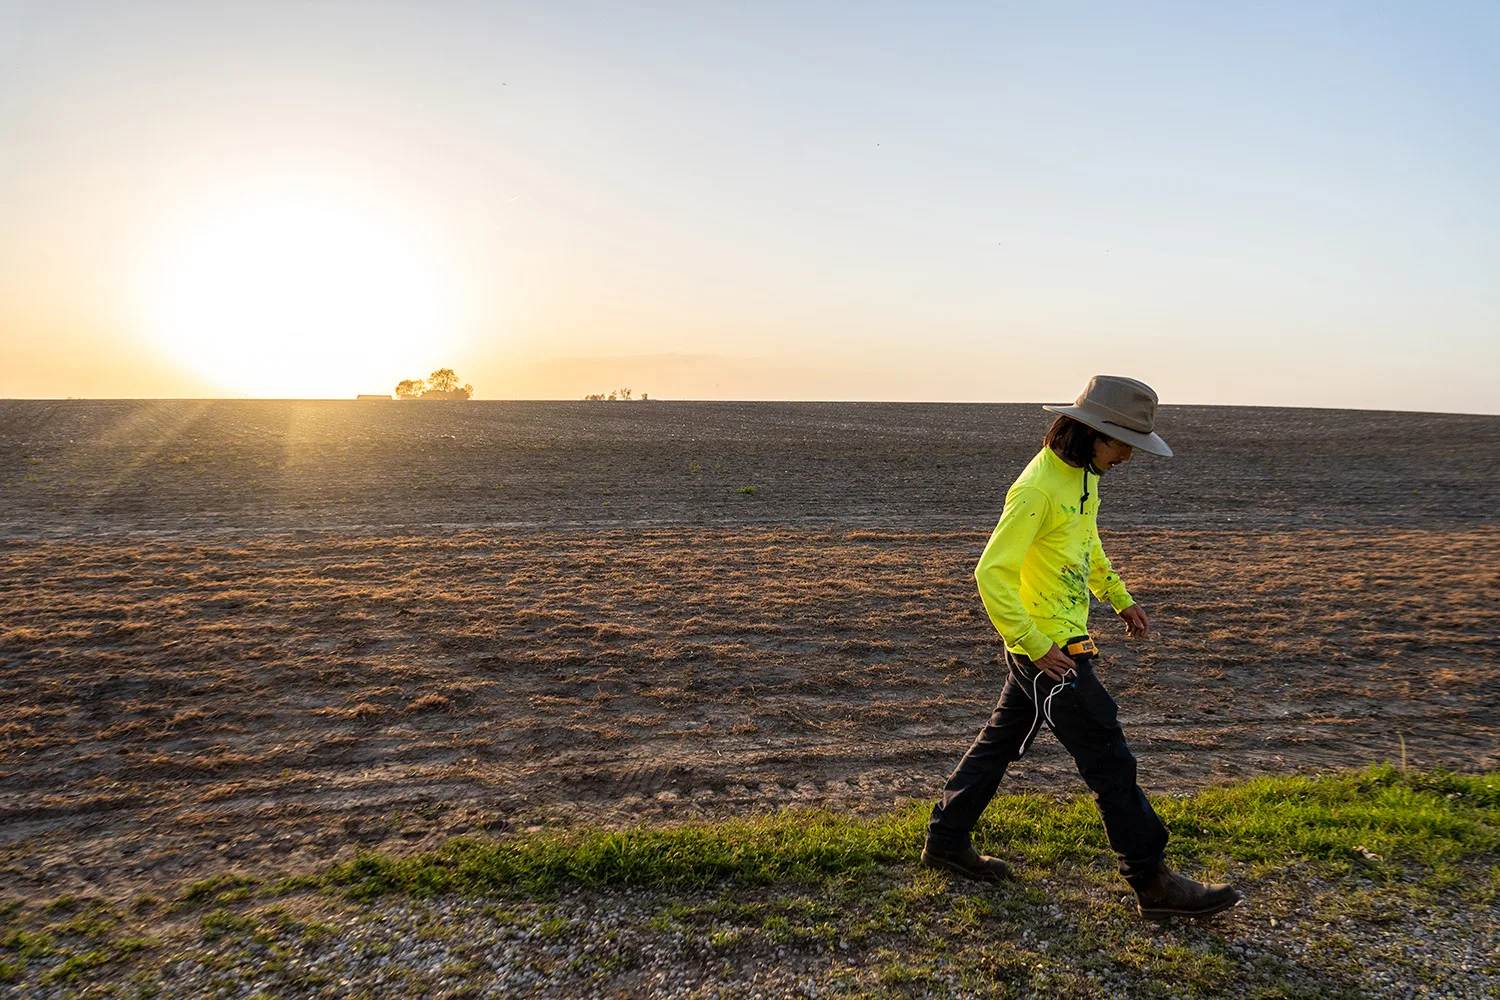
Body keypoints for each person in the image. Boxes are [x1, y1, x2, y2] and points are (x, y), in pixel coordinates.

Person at [921, 375, 1242, 920]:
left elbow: (1084, 541)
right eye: (1124, 444)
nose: (1129, 457)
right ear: (1094, 432)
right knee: (1109, 757)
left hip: (1062, 637)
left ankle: (947, 840)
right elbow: (990, 573)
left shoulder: (1083, 477)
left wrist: (1117, 596)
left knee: (999, 743)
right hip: (1050, 650)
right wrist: (1031, 643)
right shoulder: (1038, 488)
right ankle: (1153, 882)